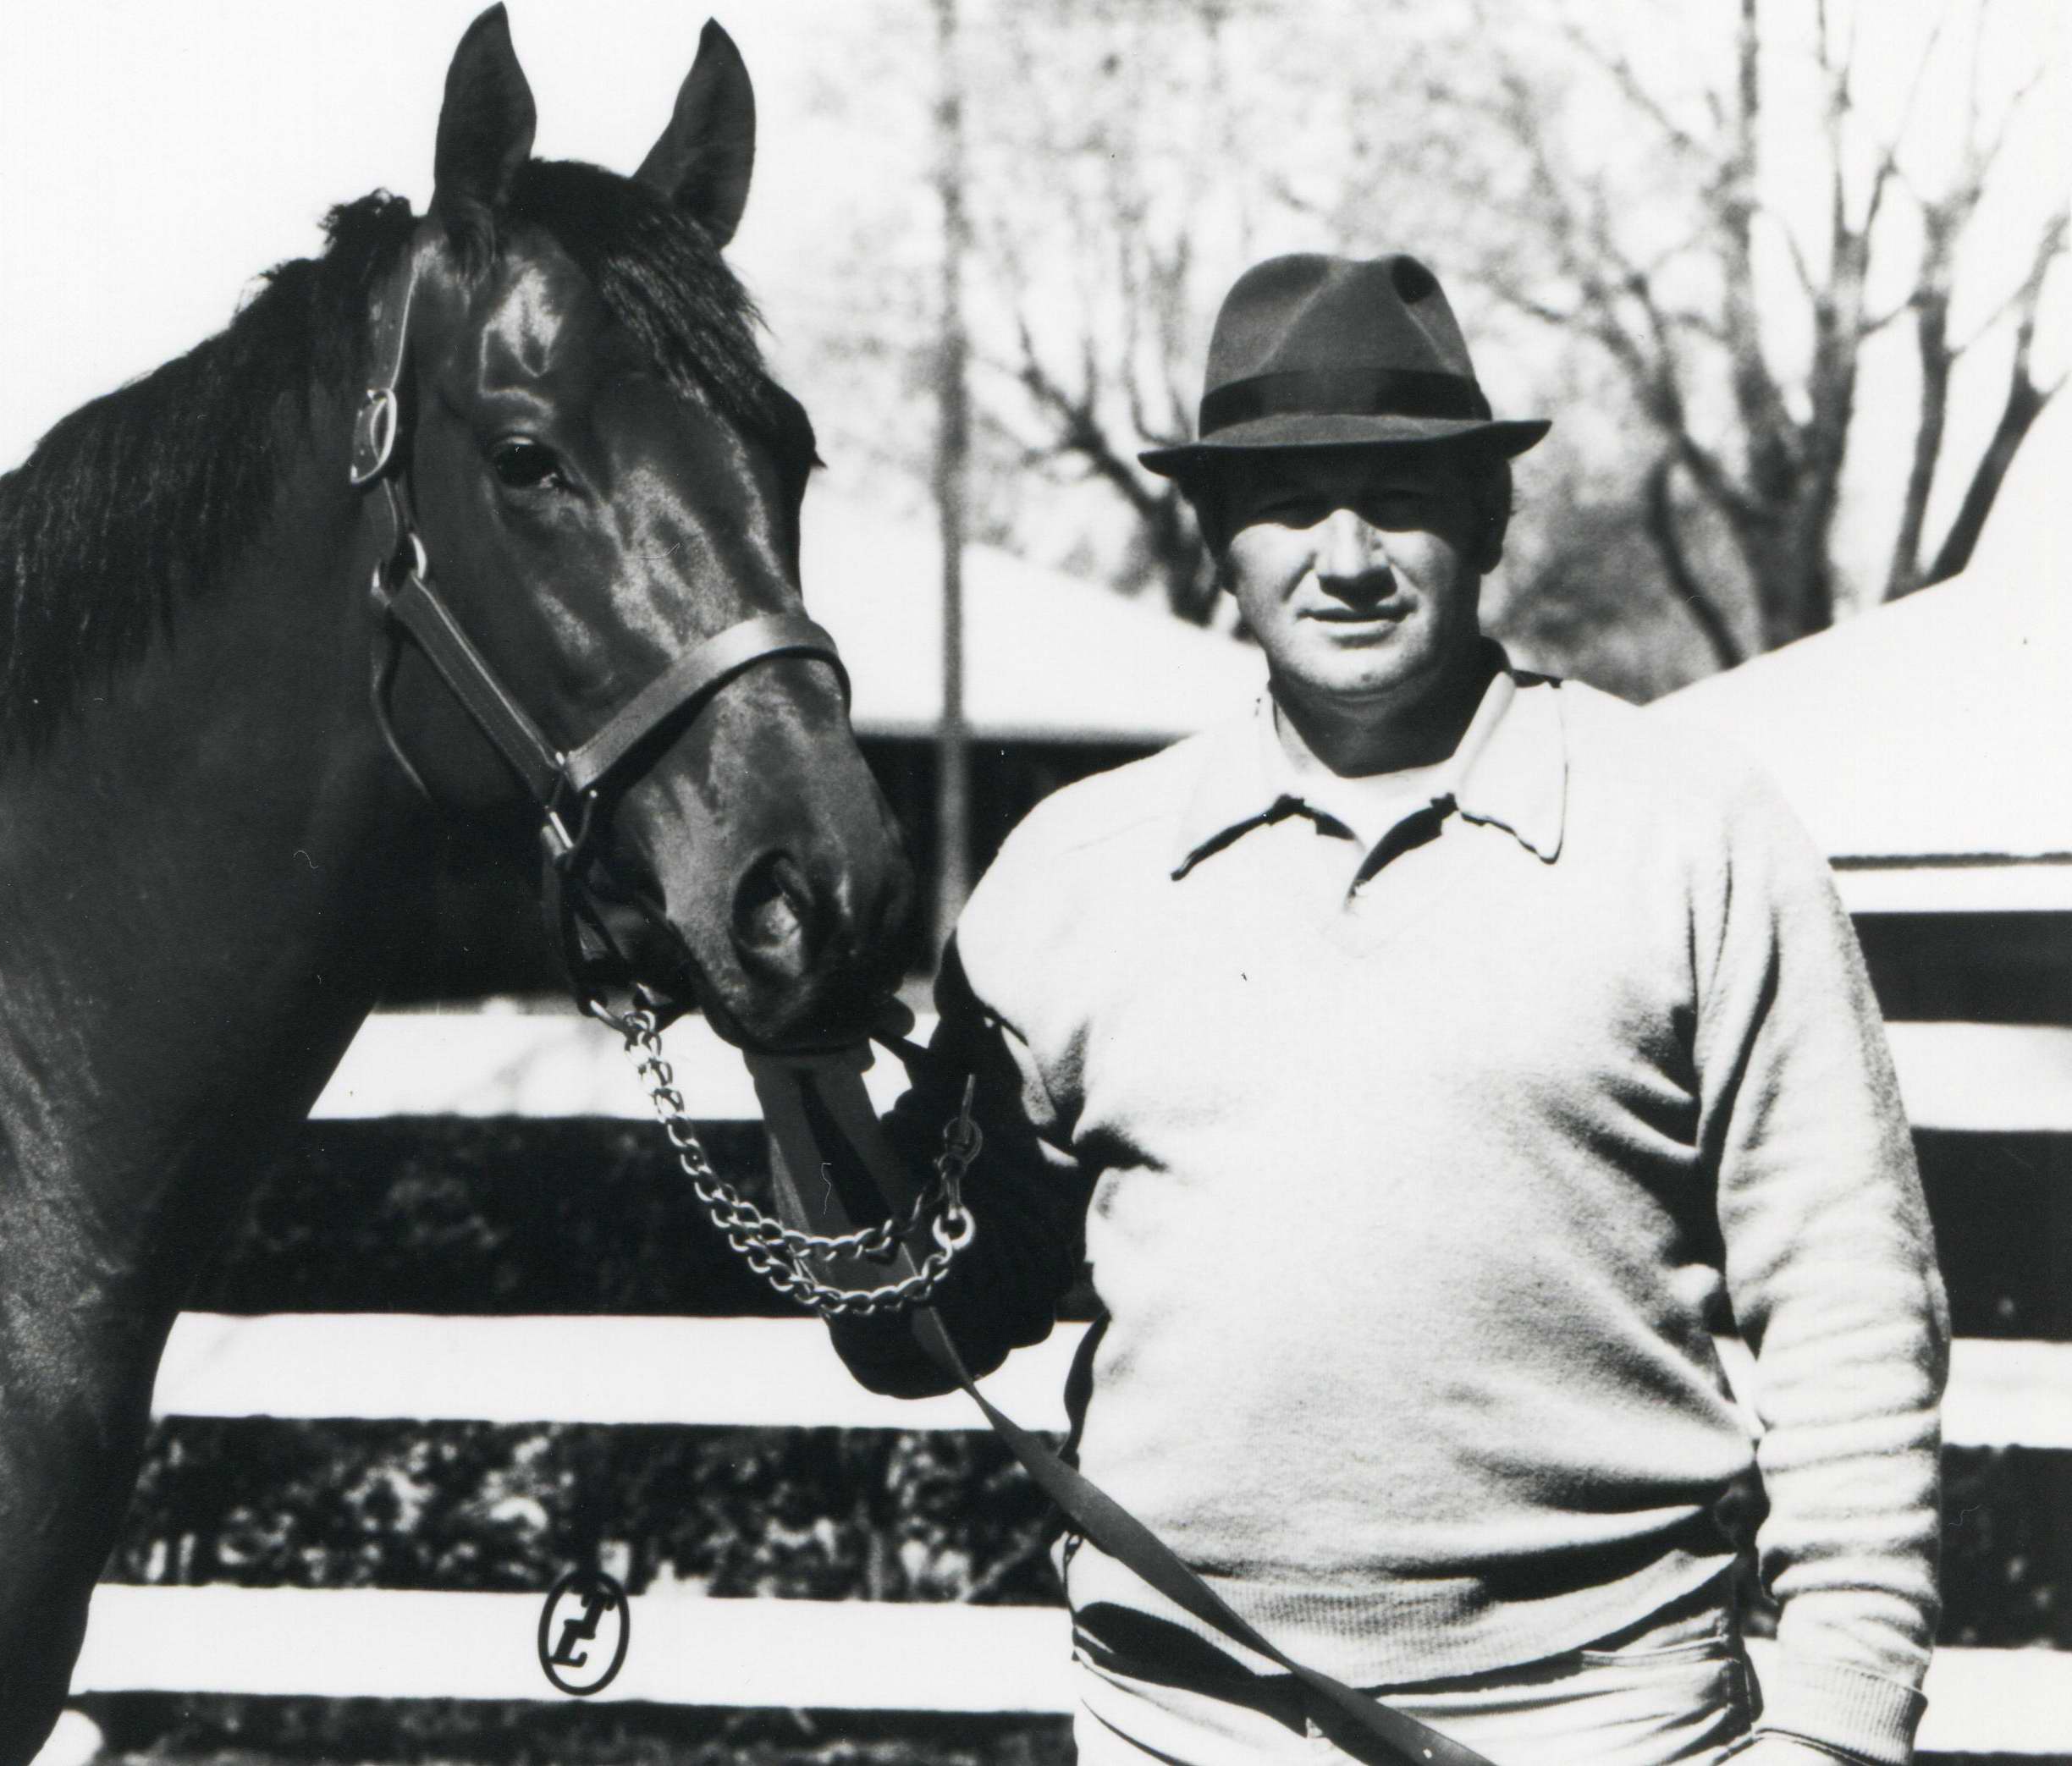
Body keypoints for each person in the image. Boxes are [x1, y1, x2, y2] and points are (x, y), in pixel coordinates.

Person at [813, 253, 1947, 1765]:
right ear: (1217, 539)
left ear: (1488, 519)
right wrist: (789, 1059)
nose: (1345, 556)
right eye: (1287, 501)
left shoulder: (1693, 832)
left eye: (1398, 495)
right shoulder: (1072, 872)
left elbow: (1853, 1304)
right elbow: (928, 1320)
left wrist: (1839, 1725)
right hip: (1176, 1723)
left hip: (1612, 1724)